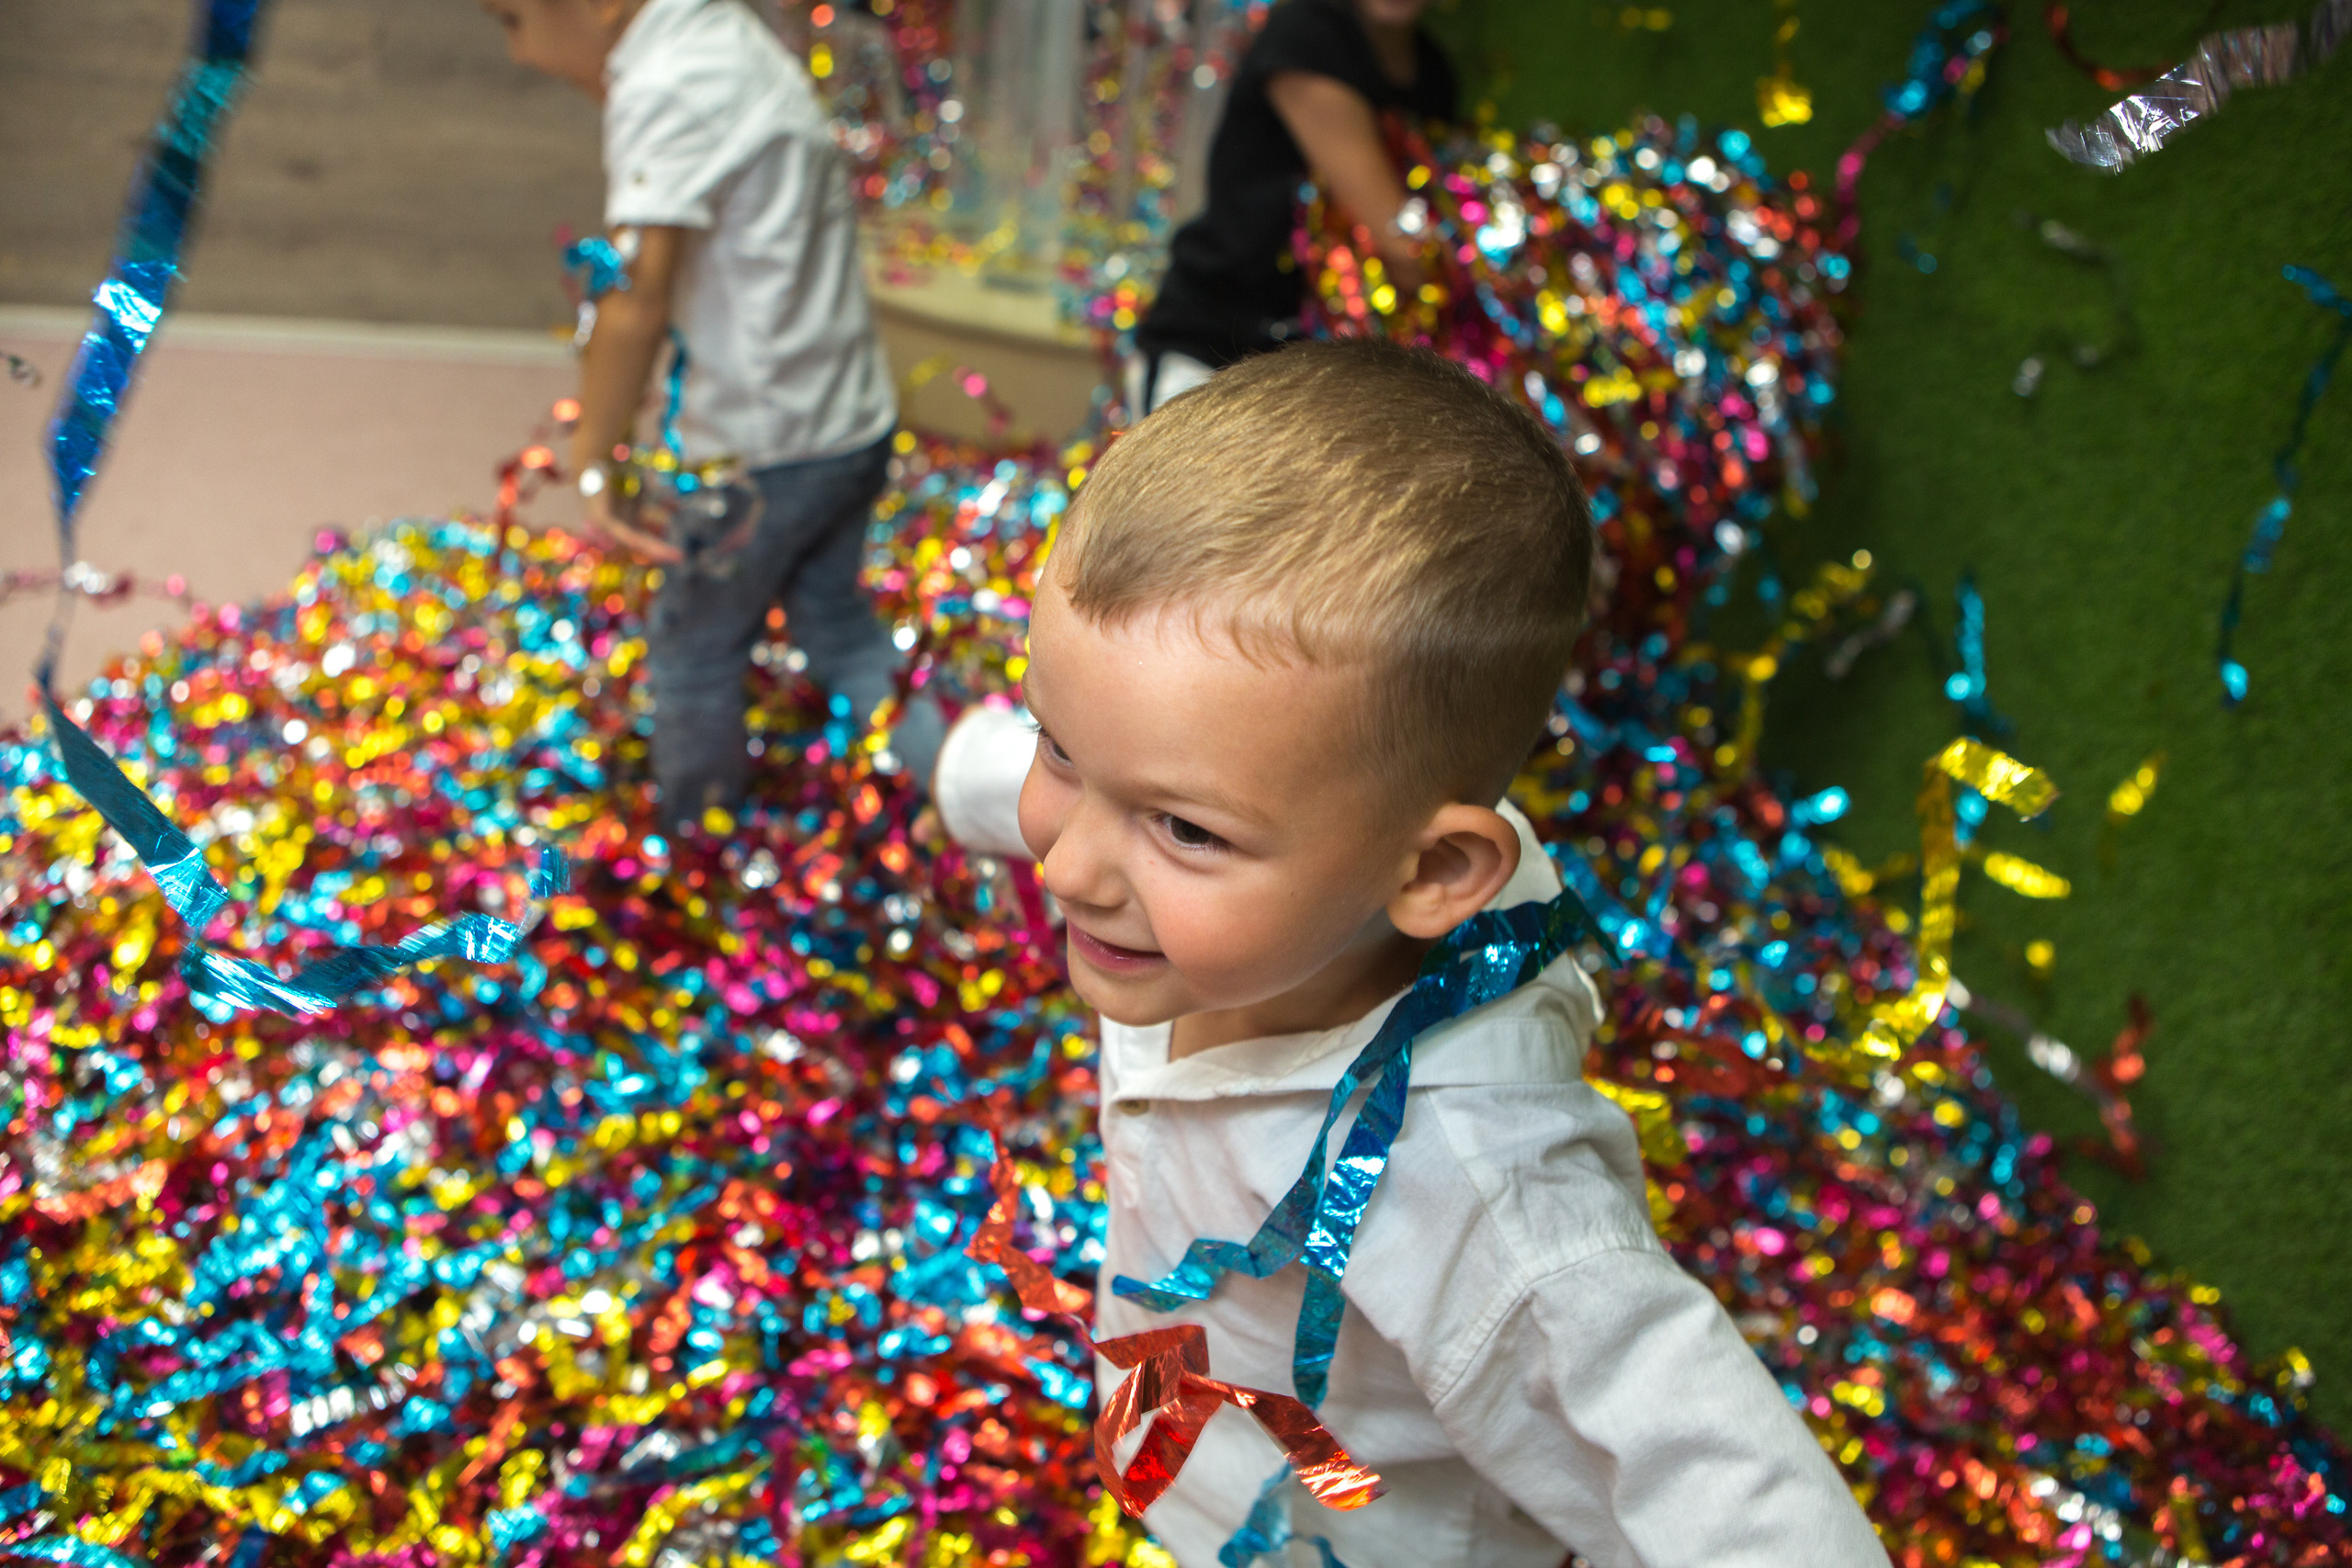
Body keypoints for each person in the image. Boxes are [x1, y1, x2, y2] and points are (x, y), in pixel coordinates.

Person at [927, 342, 1890, 1566]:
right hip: (1180, 1439)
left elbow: (1737, 1494)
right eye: (1063, 750)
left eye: (1183, 827)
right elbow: (1103, 761)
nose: (1064, 869)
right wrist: (961, 771)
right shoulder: (1220, 878)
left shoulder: (1479, 1183)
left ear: (1432, 873)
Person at [483, 0, 944, 829]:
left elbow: (635, 298)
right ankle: (973, 792)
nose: (518, 53)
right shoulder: (716, 33)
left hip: (759, 454)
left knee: (694, 650)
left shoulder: (667, 83)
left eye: (511, 19)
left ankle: (698, 843)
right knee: (838, 627)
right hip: (847, 421)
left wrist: (598, 458)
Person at [1128, 0, 1455, 415]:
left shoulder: (1434, 74)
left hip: (1314, 376)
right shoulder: (1307, 36)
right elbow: (1405, 247)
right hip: (1214, 356)